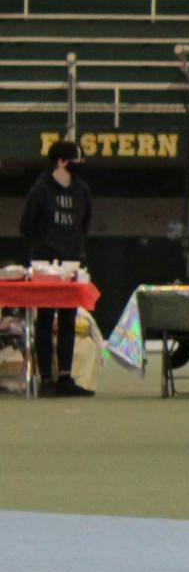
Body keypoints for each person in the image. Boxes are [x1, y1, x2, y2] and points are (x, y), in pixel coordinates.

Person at [18, 140, 93, 398]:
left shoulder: (82, 190)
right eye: (77, 159)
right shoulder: (41, 190)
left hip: (71, 263)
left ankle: (65, 376)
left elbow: (85, 225)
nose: (80, 164)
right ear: (62, 161)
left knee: (69, 320)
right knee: (46, 319)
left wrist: (72, 249)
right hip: (45, 264)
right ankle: (46, 379)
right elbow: (26, 225)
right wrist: (45, 248)